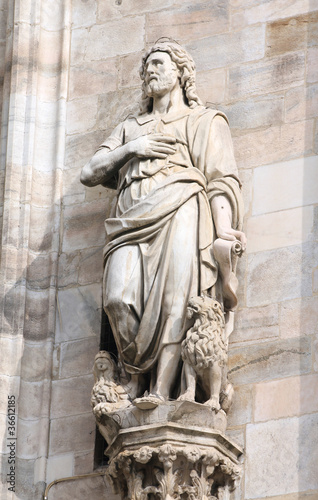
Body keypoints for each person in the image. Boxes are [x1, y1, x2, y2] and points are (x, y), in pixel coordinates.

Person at [81, 39, 246, 405]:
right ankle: (137, 374)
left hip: (183, 208)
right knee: (118, 299)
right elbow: (89, 172)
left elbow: (221, 178)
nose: (150, 71)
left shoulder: (203, 121)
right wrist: (131, 149)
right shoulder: (130, 127)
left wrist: (222, 230)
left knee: (177, 300)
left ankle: (159, 390)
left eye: (158, 63)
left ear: (181, 72)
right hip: (129, 221)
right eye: (146, 68)